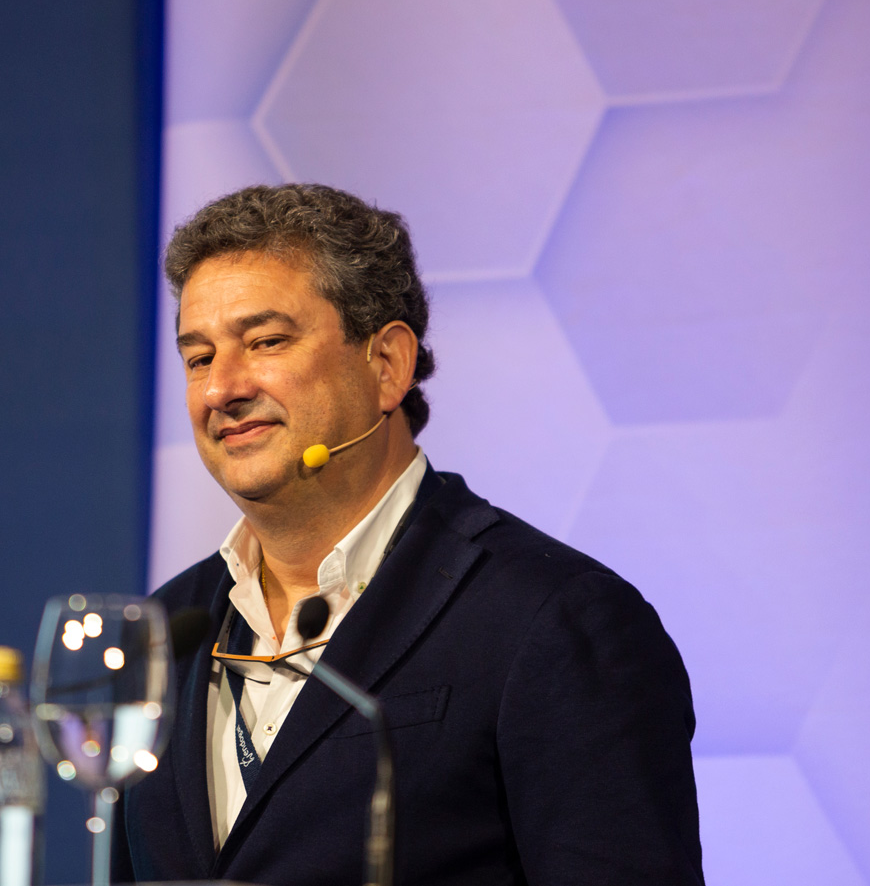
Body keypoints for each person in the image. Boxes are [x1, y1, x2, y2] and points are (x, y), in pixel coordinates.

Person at [116, 184, 705, 885]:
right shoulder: (166, 631)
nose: (221, 389)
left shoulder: (554, 620)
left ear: (387, 364)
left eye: (266, 342)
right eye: (199, 358)